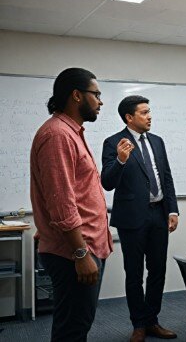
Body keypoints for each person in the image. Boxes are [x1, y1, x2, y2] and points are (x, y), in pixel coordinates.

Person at [30, 67, 113, 341]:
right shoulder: (58, 135)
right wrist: (80, 254)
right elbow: (62, 202)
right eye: (96, 94)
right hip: (74, 253)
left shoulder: (71, 132)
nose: (100, 101)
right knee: (72, 329)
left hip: (82, 247)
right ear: (77, 95)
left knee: (77, 324)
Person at [100, 96, 179, 341]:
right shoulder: (113, 142)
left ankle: (152, 320)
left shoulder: (157, 141)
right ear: (129, 118)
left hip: (158, 213)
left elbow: (166, 177)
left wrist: (173, 210)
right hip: (132, 218)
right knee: (134, 273)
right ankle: (139, 325)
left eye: (149, 111)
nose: (149, 116)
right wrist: (121, 160)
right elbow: (107, 182)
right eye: (144, 112)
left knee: (158, 271)